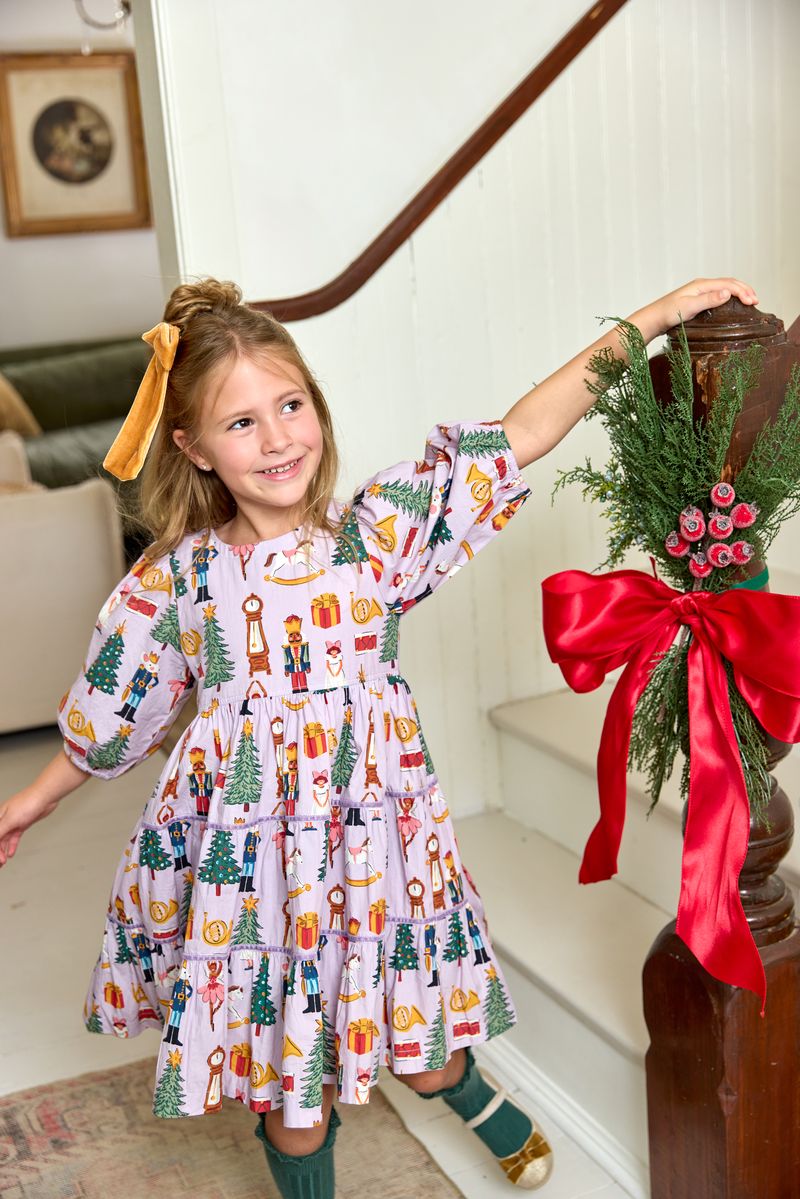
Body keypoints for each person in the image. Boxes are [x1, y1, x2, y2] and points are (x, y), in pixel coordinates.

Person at [0, 275, 759, 1197]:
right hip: (258, 883)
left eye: (291, 405)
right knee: (295, 1098)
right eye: (241, 423)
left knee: (424, 1055)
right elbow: (107, 715)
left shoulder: (374, 538)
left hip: (375, 861)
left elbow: (519, 435)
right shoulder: (177, 581)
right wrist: (28, 803)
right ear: (193, 446)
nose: (277, 438)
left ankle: (466, 1091)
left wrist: (655, 317)